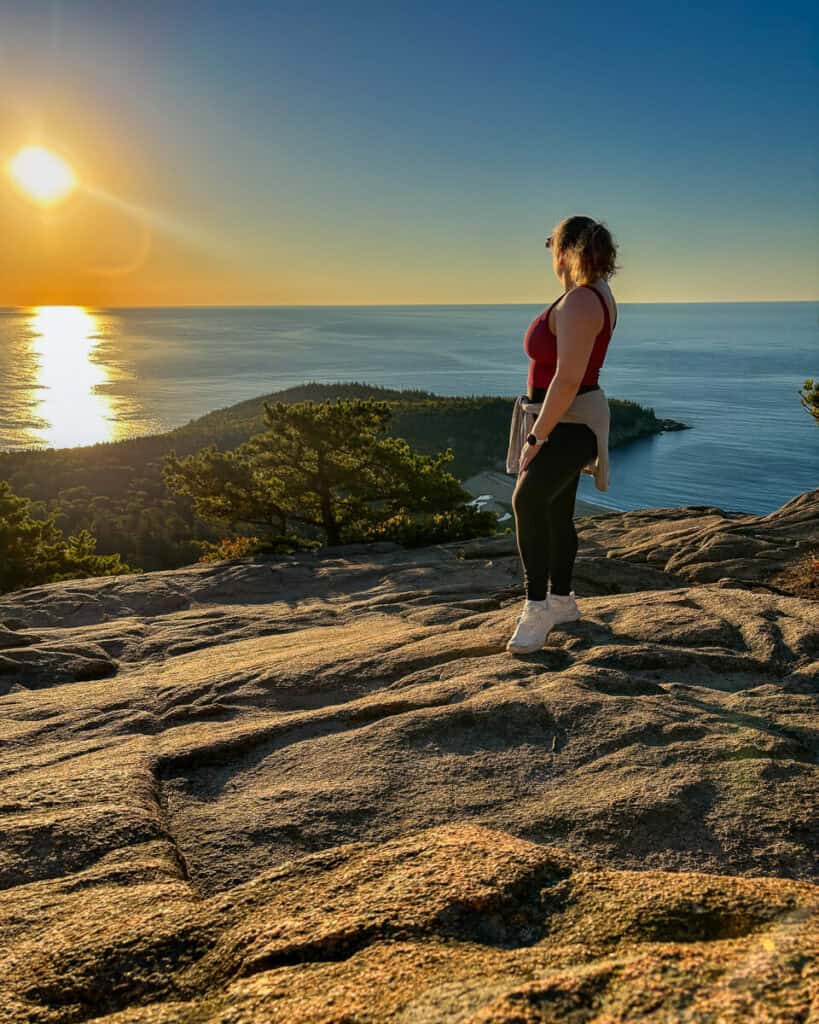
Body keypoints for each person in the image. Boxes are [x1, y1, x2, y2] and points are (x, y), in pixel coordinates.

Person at [506, 215, 619, 654]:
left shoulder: (581, 302)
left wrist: (536, 437)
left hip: (567, 420)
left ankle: (537, 611)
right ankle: (562, 601)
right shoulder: (590, 295)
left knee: (527, 501)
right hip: (565, 416)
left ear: (567, 250)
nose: (550, 254)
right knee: (555, 512)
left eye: (552, 244)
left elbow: (568, 378)